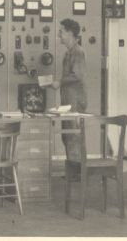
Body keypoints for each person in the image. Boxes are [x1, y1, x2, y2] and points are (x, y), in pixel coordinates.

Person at [50, 18, 87, 161]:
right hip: (68, 100)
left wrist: (59, 82)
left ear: (70, 33)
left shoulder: (78, 52)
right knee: (67, 136)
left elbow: (77, 75)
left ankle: (78, 171)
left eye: (61, 32)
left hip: (75, 101)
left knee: (74, 135)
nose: (59, 35)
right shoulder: (69, 53)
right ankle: (72, 169)